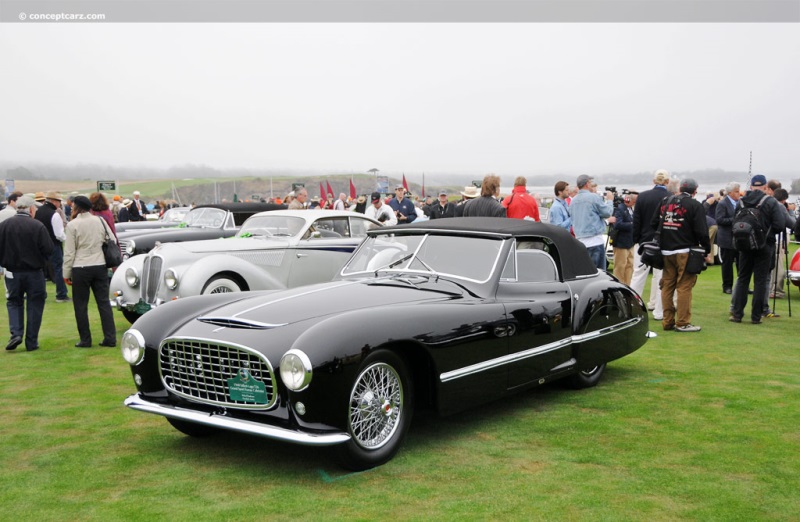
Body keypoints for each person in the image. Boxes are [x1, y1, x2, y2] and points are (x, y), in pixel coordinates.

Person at [651, 178, 710, 332]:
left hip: (665, 251)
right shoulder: (695, 205)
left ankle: (667, 321)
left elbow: (653, 224)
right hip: (685, 251)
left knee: (667, 286)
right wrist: (706, 250)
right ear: (695, 190)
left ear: (680, 188)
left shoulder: (665, 201)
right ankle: (683, 322)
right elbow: (702, 232)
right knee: (684, 286)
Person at [0, 196, 54, 352]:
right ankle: (31, 341)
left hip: (12, 272)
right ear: (31, 209)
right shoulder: (37, 226)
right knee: (35, 304)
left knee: (14, 301)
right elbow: (48, 249)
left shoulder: (4, 226)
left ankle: (16, 333)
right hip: (34, 272)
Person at [63, 195, 117, 348]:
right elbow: (111, 238)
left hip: (80, 267)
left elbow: (69, 253)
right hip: (99, 264)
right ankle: (110, 338)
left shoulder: (72, 225)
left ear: (77, 207)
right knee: (103, 303)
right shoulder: (100, 220)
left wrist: (66, 273)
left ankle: (85, 340)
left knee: (80, 305)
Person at [730, 175, 786, 324]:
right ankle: (756, 316)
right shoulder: (770, 202)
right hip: (764, 245)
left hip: (744, 245)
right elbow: (780, 225)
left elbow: (735, 221)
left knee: (743, 278)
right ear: (765, 186)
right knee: (760, 281)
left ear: (751, 186)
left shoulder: (741, 202)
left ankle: (737, 314)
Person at [631, 169, 671, 318]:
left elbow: (637, 221)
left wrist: (636, 240)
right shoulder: (671, 197)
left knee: (638, 276)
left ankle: (633, 309)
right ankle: (659, 311)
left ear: (654, 181)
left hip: (643, 241)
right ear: (667, 182)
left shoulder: (643, 197)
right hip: (663, 243)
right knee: (662, 278)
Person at [570, 174, 615, 270]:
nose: (591, 184)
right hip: (594, 242)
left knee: (584, 272)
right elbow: (607, 212)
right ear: (587, 184)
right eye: (590, 182)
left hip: (580, 242)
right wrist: (610, 200)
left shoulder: (573, 201)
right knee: (599, 274)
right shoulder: (593, 197)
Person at [34, 191, 70, 303]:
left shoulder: (37, 212)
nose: (59, 204)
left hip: (39, 245)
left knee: (39, 270)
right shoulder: (54, 214)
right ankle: (61, 294)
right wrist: (68, 240)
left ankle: (38, 294)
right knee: (58, 269)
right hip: (53, 245)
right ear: (54, 201)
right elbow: (59, 234)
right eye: (59, 201)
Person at [715, 182, 741, 294]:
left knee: (741, 263)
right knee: (727, 264)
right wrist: (735, 219)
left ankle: (741, 285)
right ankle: (727, 286)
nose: (738, 193)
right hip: (727, 238)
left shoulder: (740, 203)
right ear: (730, 192)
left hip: (739, 238)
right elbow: (719, 220)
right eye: (736, 191)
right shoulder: (722, 204)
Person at [612, 192, 637, 285]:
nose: (635, 203)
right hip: (621, 243)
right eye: (634, 201)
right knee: (620, 266)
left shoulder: (630, 209)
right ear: (628, 200)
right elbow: (618, 224)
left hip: (630, 242)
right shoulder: (620, 209)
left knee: (629, 265)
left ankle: (627, 285)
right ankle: (618, 285)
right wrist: (632, 225)